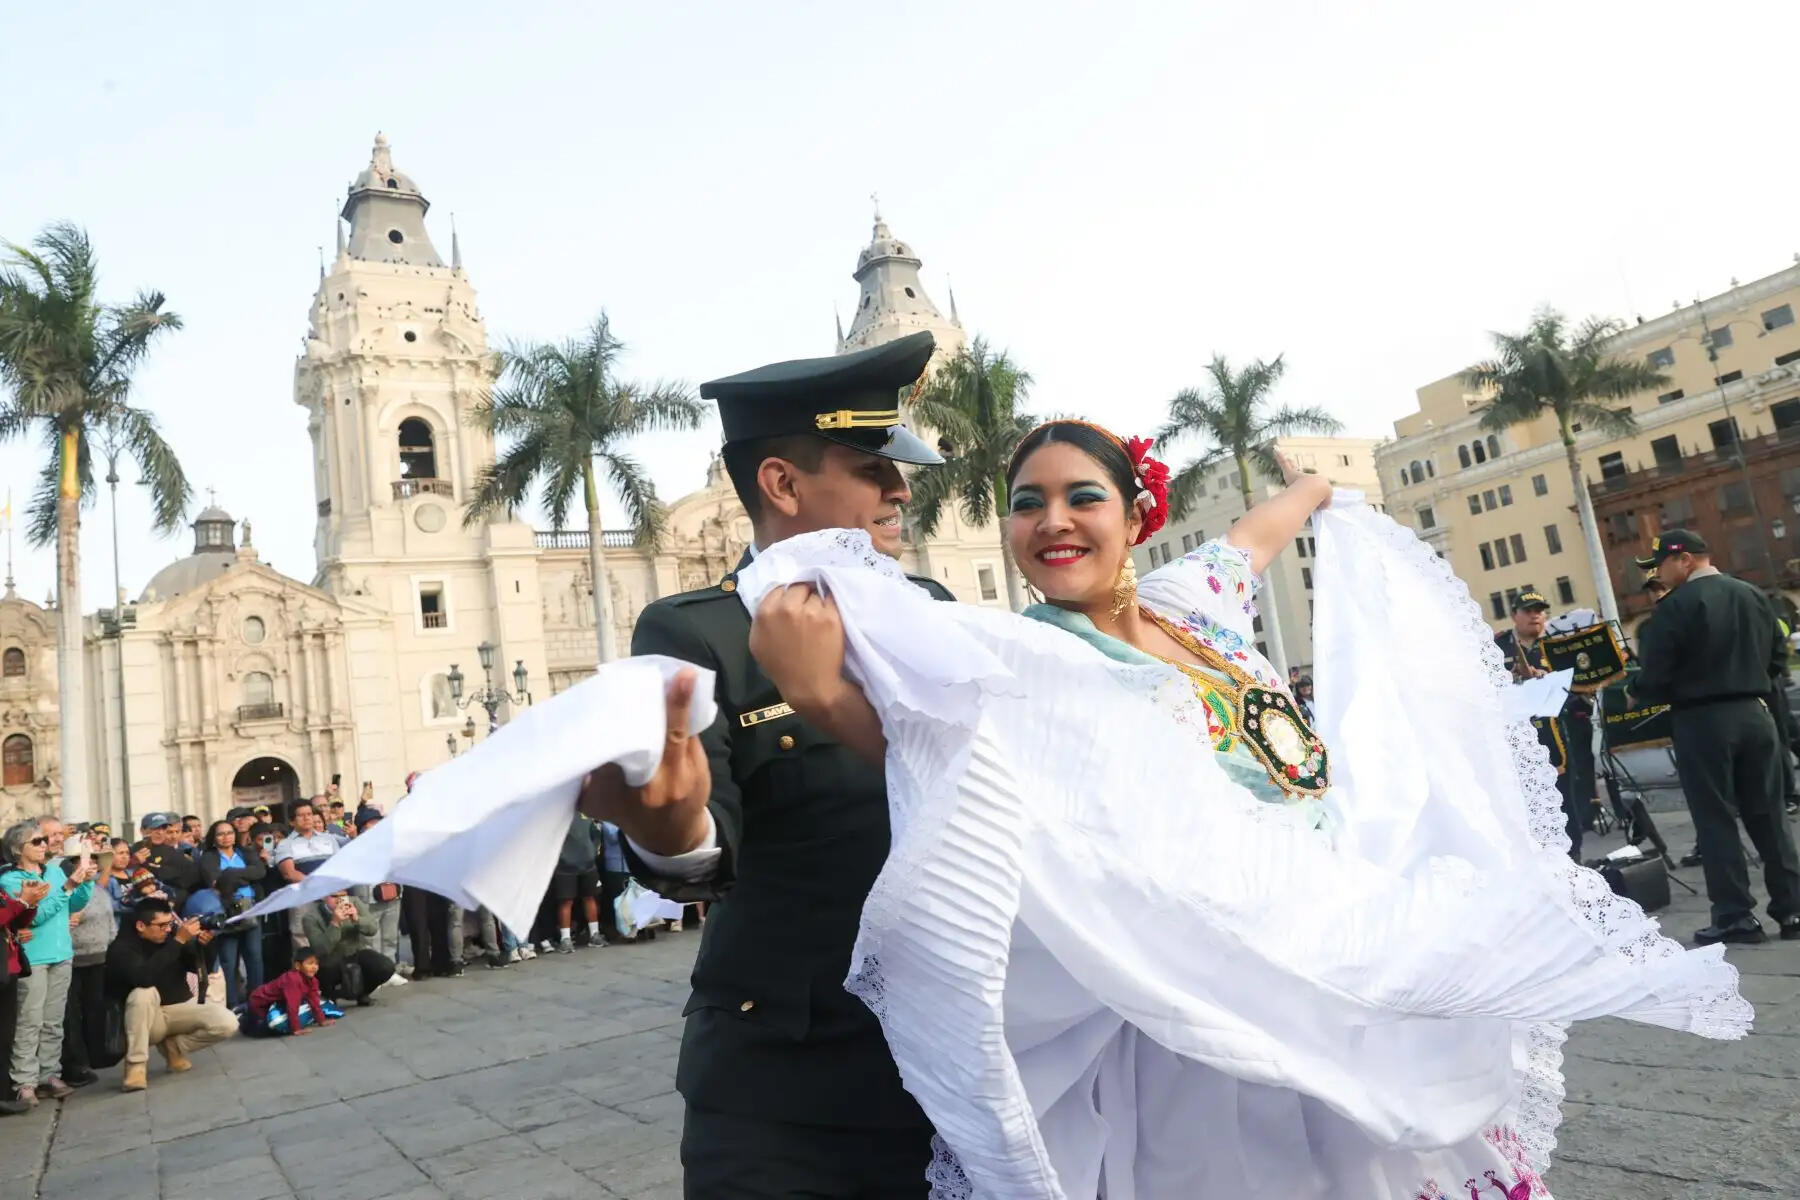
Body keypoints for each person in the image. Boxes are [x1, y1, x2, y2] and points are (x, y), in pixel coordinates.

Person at [713, 419, 1747, 1195]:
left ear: (1134, 513)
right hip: (1205, 981)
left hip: (1334, 929)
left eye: (1080, 496)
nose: (1052, 522)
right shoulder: (1025, 654)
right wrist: (820, 694)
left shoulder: (1192, 607)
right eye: (1027, 504)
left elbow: (1256, 537)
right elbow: (953, 765)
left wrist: (1311, 490)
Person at [581, 332, 954, 1196]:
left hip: (962, 1058)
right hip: (793, 1085)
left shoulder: (931, 609)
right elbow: (703, 845)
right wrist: (667, 827)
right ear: (781, 484)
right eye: (870, 466)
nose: (900, 488)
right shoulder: (700, 631)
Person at [1630, 529, 1800, 944]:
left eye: (1661, 565)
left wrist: (1637, 690)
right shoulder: (1755, 595)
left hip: (1703, 721)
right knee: (1770, 815)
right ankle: (1793, 911)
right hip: (1756, 716)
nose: (1659, 574)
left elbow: (1656, 677)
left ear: (1684, 559)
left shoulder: (1674, 608)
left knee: (1716, 819)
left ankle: (1735, 916)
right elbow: (1779, 657)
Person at [1, 818, 93, 1106]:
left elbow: (74, 905)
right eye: (37, 841)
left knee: (53, 1022)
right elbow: (35, 915)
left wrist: (85, 881)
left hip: (61, 953)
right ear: (19, 848)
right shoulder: (11, 880)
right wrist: (67, 887)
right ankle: (24, 1081)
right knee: (30, 1021)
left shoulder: (53, 871)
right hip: (34, 958)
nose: (45, 845)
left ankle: (49, 1074)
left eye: (44, 840)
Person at [105, 896, 237, 1092]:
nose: (167, 930)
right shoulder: (121, 948)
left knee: (228, 1023)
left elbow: (201, 968)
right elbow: (144, 977)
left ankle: (174, 1047)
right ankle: (135, 1067)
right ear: (141, 925)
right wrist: (177, 941)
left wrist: (205, 945)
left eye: (170, 924)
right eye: (161, 925)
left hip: (178, 1009)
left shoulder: (172, 938)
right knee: (144, 993)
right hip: (145, 1021)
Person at [1494, 590, 1584, 860]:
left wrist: (1547, 679)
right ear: (1514, 616)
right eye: (1529, 610)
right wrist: (1509, 680)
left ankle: (1574, 861)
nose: (1536, 615)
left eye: (1541, 610)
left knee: (1566, 803)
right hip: (1516, 740)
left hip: (1556, 737)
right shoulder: (1499, 649)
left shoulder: (1558, 647)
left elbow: (1578, 686)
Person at [59, 827, 118, 1089]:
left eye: (94, 861)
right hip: (74, 959)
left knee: (95, 1008)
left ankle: (98, 1053)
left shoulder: (100, 891)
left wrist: (108, 940)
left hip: (99, 957)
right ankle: (76, 1061)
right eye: (86, 860)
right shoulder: (67, 891)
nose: (92, 865)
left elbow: (110, 922)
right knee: (73, 1013)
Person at [198, 819, 268, 1009]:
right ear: (214, 837)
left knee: (254, 957)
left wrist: (229, 874)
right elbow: (215, 882)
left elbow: (259, 872)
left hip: (251, 907)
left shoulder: (245, 852)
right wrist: (243, 875)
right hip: (226, 910)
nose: (226, 837)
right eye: (220, 834)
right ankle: (232, 1003)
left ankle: (257, 1001)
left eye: (229, 832)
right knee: (228, 960)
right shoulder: (208, 857)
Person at [1, 872, 49, 1116]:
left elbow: (16, 922)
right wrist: (20, 902)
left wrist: (31, 903)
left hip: (8, 969)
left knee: (6, 1035)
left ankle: (4, 1095)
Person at [299, 890, 394, 1004]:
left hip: (355, 952)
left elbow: (373, 928)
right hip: (329, 960)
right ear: (324, 897)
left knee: (385, 966)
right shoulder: (311, 917)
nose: (339, 900)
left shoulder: (354, 902)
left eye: (343, 896)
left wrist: (357, 919)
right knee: (325, 968)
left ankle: (362, 993)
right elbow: (320, 949)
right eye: (334, 896)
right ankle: (329, 997)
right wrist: (334, 923)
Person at [241, 946, 335, 1037]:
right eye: (310, 963)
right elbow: (292, 1006)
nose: (314, 967)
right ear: (298, 966)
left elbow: (314, 1001)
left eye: (316, 964)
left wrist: (321, 1020)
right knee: (267, 1028)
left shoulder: (313, 981)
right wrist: (296, 1029)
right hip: (260, 1003)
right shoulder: (293, 979)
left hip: (276, 1002)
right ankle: (245, 1017)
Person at [551, 815, 603, 953]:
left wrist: (593, 852)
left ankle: (594, 934)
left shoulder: (585, 814)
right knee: (566, 901)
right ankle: (565, 939)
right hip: (564, 867)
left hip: (588, 865)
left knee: (590, 897)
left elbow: (596, 833)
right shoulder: (556, 817)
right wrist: (561, 857)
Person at [138, 813, 200, 910]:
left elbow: (191, 880)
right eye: (154, 829)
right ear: (142, 830)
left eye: (163, 829)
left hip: (174, 905)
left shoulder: (177, 853)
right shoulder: (133, 850)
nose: (159, 832)